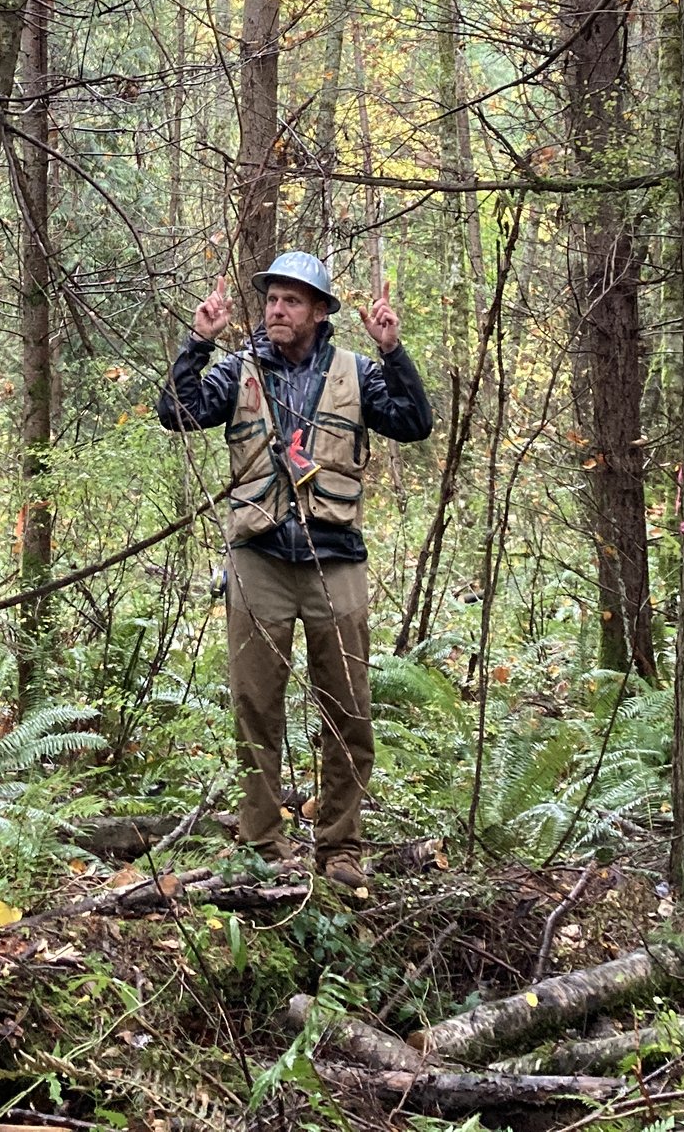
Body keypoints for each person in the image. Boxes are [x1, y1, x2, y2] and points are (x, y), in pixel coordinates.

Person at [158, 252, 432, 890]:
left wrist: (394, 352)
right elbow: (177, 411)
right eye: (272, 300)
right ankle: (262, 838)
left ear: (318, 312)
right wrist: (198, 341)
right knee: (256, 703)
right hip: (259, 559)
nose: (277, 310)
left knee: (348, 706)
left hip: (335, 559)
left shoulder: (357, 372)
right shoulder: (238, 369)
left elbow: (415, 424)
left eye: (291, 301)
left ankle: (340, 845)